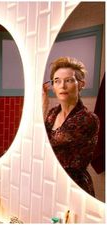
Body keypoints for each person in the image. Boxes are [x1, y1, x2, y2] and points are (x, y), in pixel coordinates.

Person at [43, 56, 99, 196]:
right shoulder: (52, 114)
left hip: (74, 188)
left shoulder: (88, 119)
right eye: (57, 81)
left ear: (81, 84)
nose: (62, 86)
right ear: (53, 86)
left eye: (68, 80)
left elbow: (45, 145)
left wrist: (42, 108)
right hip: (50, 184)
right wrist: (44, 107)